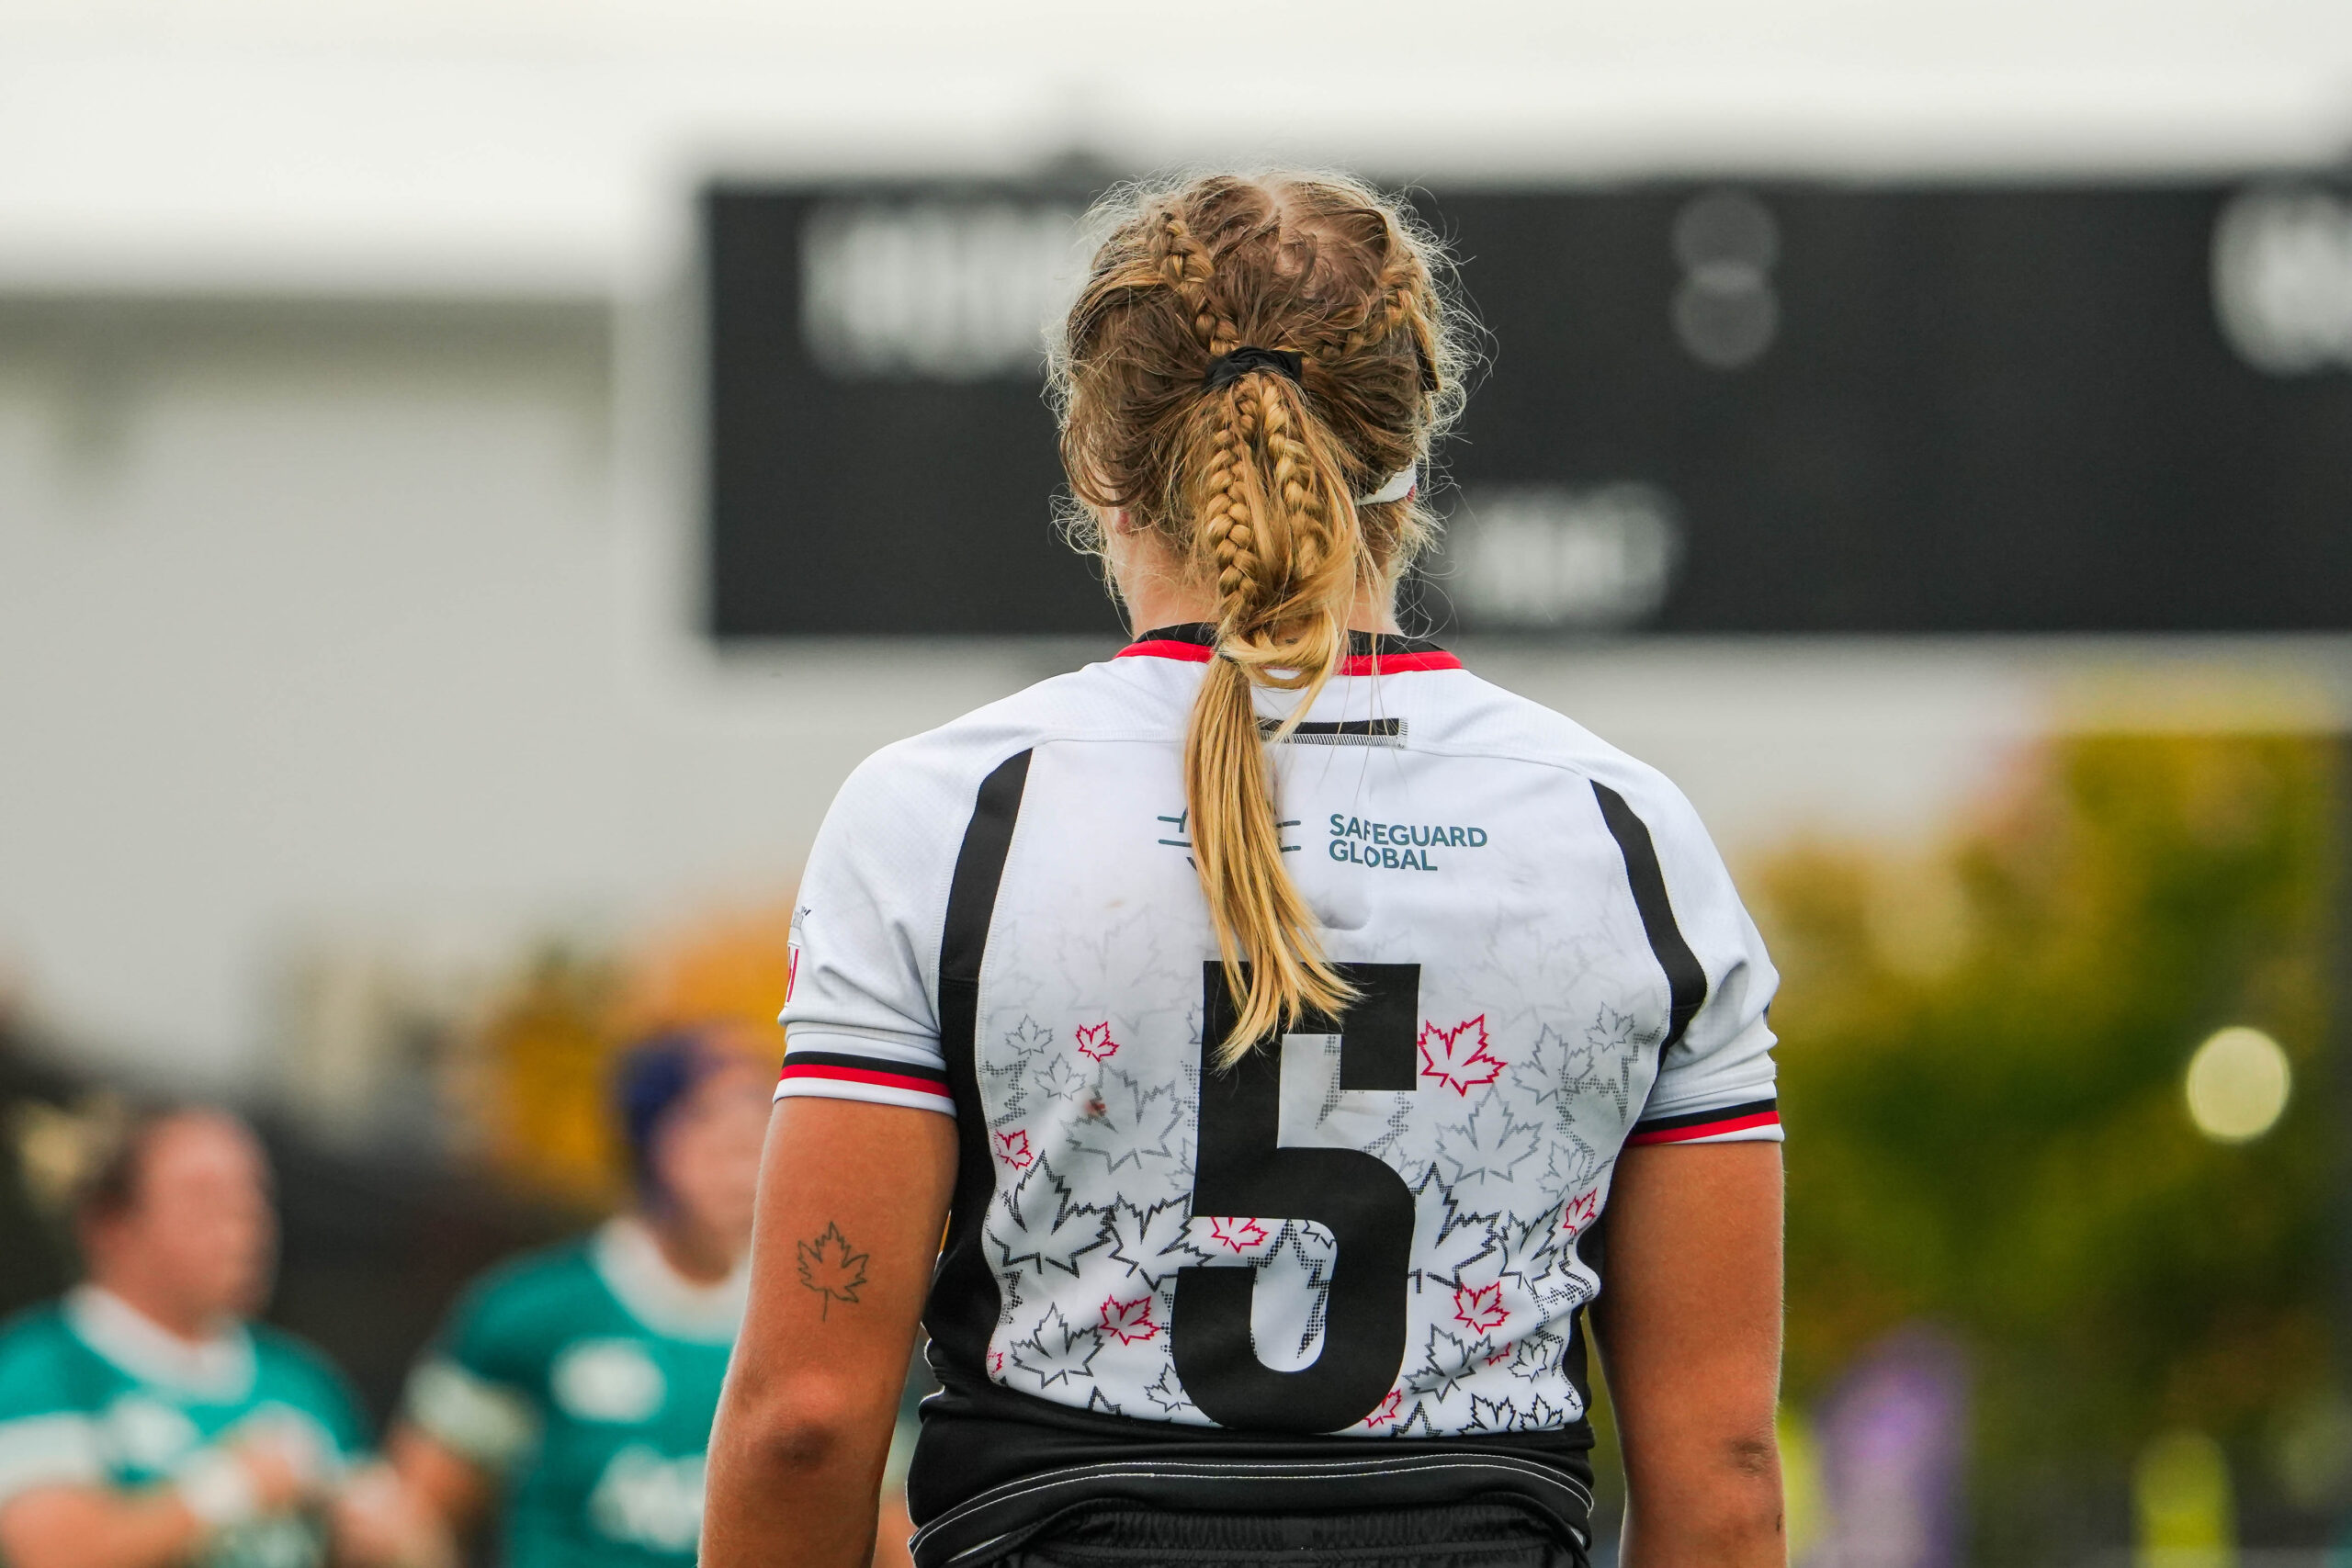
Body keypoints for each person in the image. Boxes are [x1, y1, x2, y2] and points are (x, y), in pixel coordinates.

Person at [705, 171, 1788, 1568]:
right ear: (1405, 455)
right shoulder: (1624, 833)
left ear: (1098, 460)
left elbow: (804, 1419)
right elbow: (1723, 1467)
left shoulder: (949, 813)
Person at [385, 1026, 771, 1568]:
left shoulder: (815, 1324)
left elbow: (886, 1530)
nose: (741, 1169)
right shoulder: (532, 1313)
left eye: (759, 1135)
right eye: (714, 1131)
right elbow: (408, 1518)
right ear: (647, 1137)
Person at [0, 1102, 440, 1568]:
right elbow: (57, 1557)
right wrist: (231, 1488)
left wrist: (403, 1543)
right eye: (204, 1196)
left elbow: (415, 1542)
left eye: (256, 1196)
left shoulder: (303, 1382)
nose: (246, 1224)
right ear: (111, 1226)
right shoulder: (44, 1368)